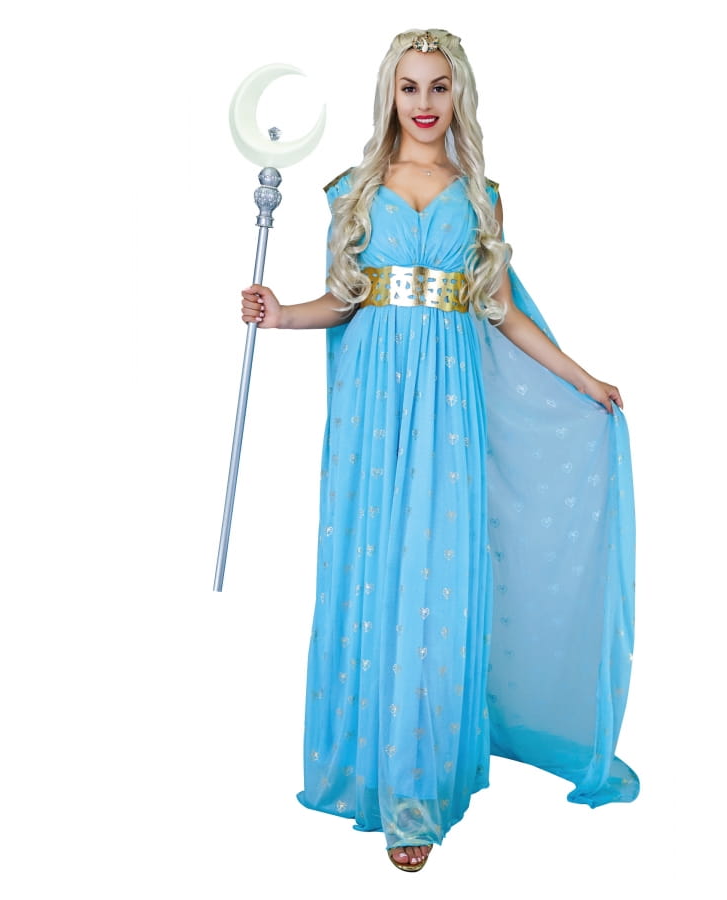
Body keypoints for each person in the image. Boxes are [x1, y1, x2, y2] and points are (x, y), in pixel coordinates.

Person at [241, 28, 638, 873]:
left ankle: (419, 787)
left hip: (450, 407)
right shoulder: (351, 191)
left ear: (459, 96)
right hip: (372, 408)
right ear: (390, 94)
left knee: (437, 579)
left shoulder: (481, 197)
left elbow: (503, 312)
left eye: (439, 87)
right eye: (410, 87)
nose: (424, 104)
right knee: (376, 568)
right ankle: (376, 771)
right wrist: (280, 316)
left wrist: (582, 376)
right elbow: (343, 301)